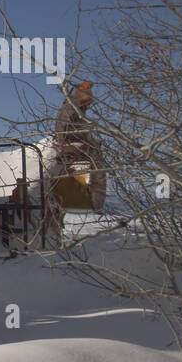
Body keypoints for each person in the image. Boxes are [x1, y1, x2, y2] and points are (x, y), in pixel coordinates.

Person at [41, 80, 106, 246]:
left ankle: (52, 236)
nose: (90, 95)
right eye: (86, 91)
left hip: (72, 158)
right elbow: (62, 135)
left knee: (57, 204)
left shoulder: (77, 112)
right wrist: (76, 149)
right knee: (54, 201)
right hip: (69, 160)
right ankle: (49, 236)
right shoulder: (69, 110)